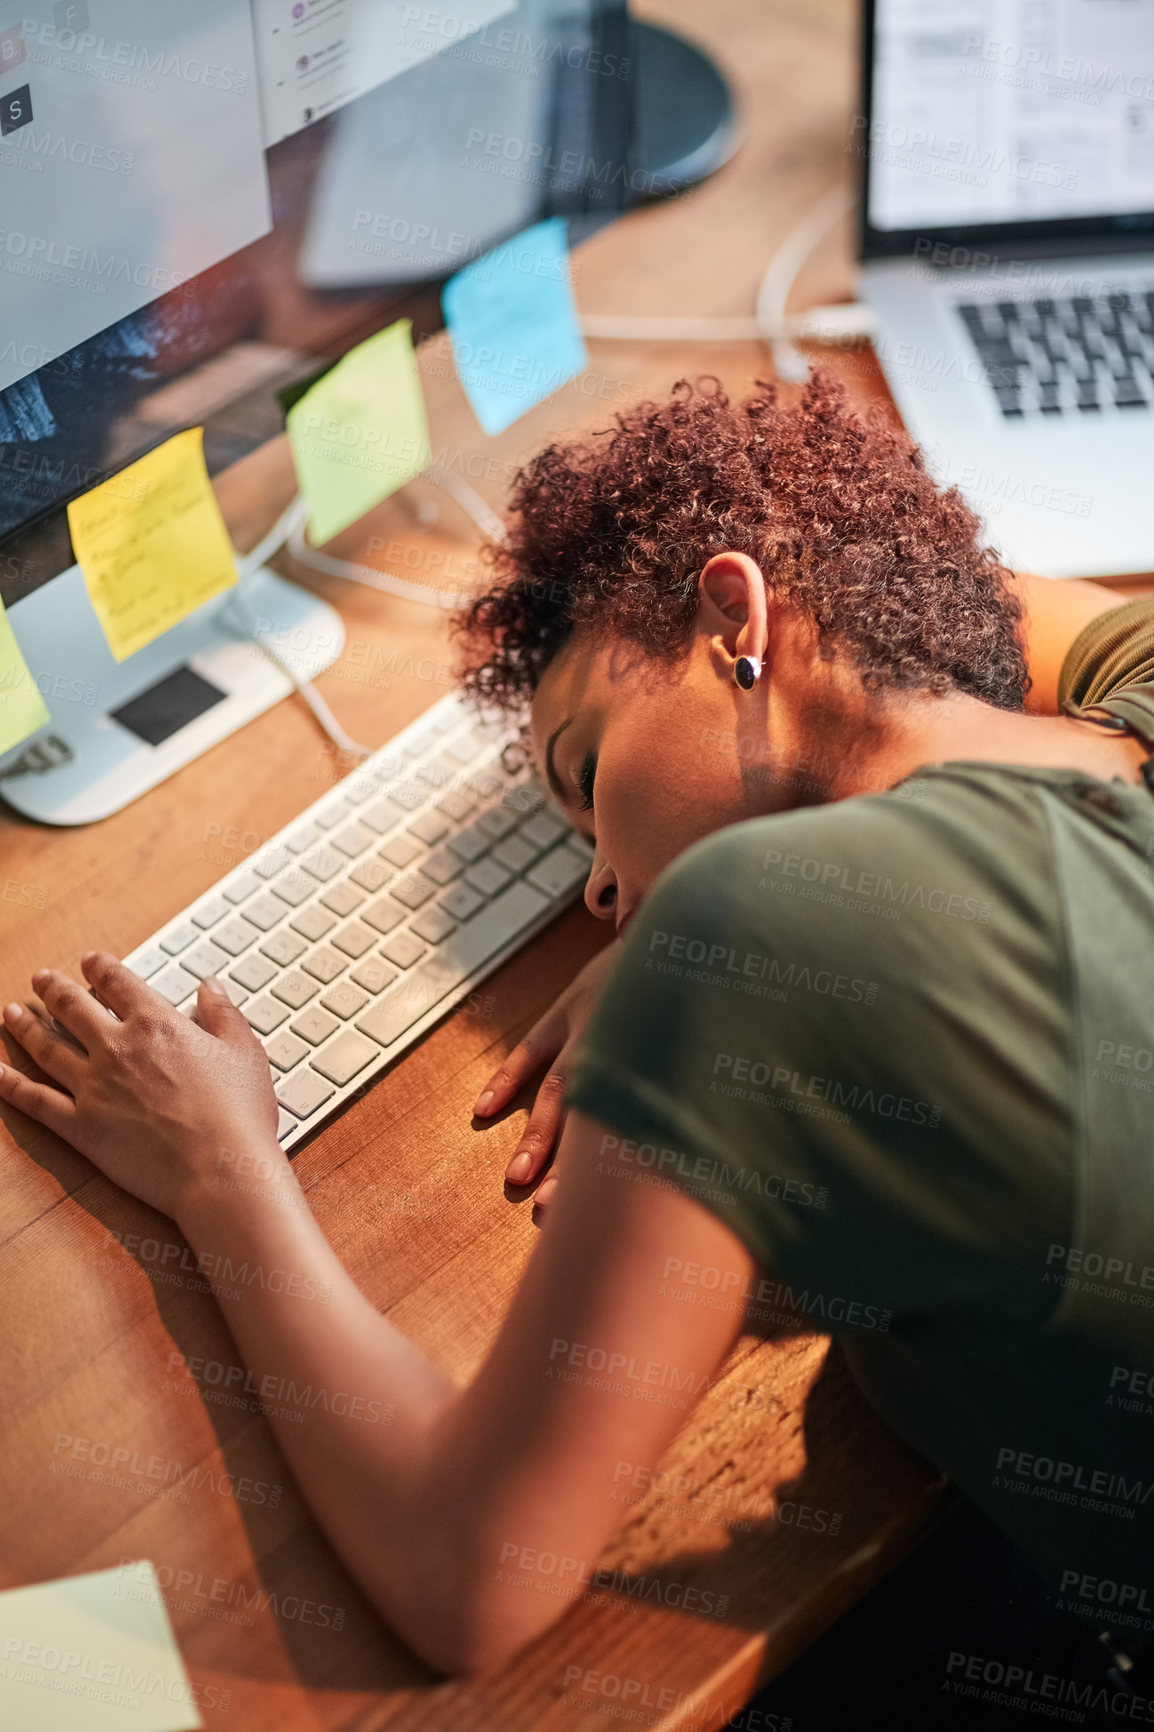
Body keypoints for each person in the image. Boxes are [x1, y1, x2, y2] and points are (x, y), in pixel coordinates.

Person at [2, 374, 1152, 1681]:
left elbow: (464, 1578)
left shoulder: (763, 946)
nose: (599, 888)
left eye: (587, 775)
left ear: (737, 618)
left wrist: (221, 1172)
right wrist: (752, 825)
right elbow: (964, 598)